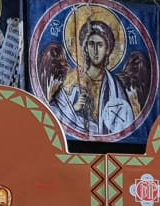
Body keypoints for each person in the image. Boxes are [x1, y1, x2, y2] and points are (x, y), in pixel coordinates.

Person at [51, 8, 136, 139]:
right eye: (91, 44)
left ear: (107, 50)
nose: (95, 51)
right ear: (85, 48)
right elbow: (53, 113)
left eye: (100, 45)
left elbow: (125, 121)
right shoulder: (72, 78)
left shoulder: (114, 85)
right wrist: (74, 108)